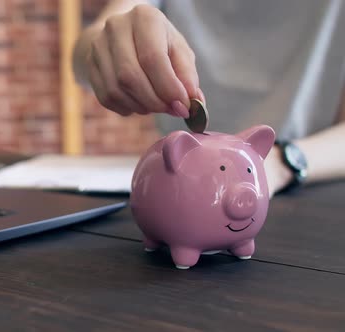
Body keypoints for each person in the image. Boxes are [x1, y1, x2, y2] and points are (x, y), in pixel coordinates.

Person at [73, 0, 345, 196]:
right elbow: (84, 49)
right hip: (183, 183)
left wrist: (283, 162)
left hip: (308, 181)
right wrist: (103, 47)